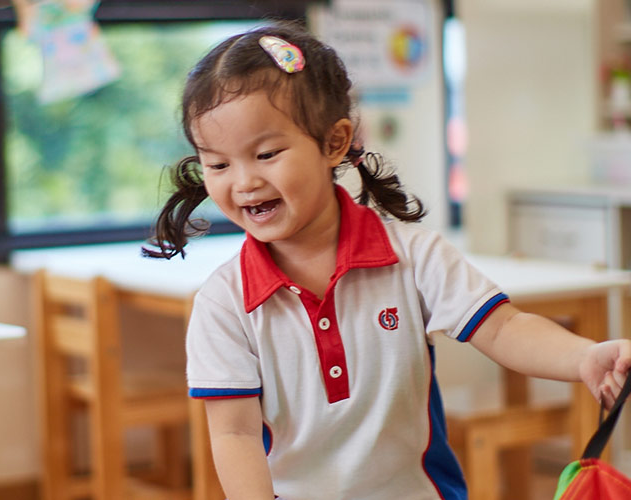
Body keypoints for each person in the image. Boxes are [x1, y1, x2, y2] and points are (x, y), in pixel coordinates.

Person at [144, 21, 631, 500]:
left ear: (334, 143)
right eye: (219, 164)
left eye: (267, 153)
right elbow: (235, 434)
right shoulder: (223, 303)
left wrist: (583, 357)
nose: (244, 181)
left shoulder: (414, 257)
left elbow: (504, 329)